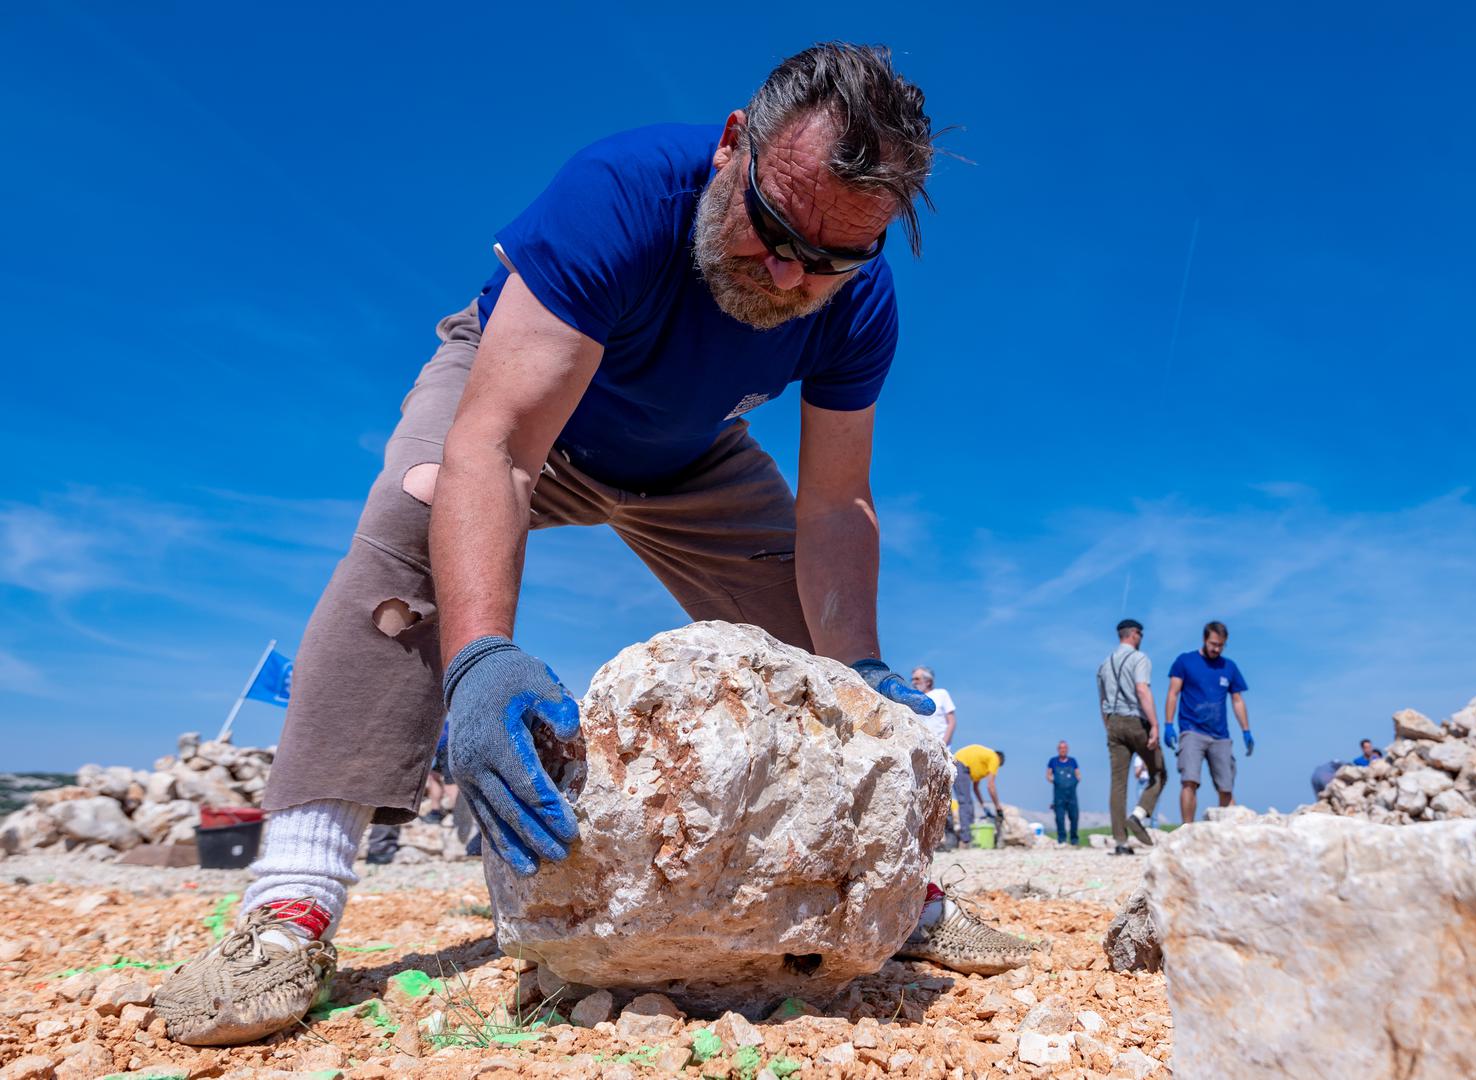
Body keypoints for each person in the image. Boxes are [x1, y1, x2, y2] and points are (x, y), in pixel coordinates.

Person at [154, 44, 978, 1045]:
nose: (791, 273)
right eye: (772, 231)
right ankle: (289, 904)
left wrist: (860, 670)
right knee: (408, 535)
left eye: (833, 260)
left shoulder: (858, 302)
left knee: (830, 671)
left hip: (687, 456)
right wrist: (481, 660)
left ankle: (899, 895)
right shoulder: (620, 194)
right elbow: (496, 448)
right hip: (519, 408)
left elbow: (835, 505)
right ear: (731, 147)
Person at [1164, 621, 1254, 824]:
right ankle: (1187, 830)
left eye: (1221, 645)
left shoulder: (1229, 667)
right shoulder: (1185, 661)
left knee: (1226, 787)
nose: (1216, 649)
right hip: (1192, 730)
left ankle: (1226, 833)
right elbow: (1173, 693)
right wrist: (1168, 724)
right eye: (1213, 644)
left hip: (1220, 735)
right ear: (1204, 639)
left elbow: (1237, 700)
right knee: (1190, 781)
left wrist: (1246, 730)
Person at [1096, 618, 1164, 855]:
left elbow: (1102, 700)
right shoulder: (1139, 659)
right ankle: (1139, 814)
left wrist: (1108, 725)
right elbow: (1142, 690)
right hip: (1136, 722)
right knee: (1159, 772)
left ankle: (1120, 842)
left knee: (1118, 783)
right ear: (1134, 634)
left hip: (1113, 723)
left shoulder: (1104, 664)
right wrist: (1154, 724)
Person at [949, 744, 1004, 847]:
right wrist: (998, 806)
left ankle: (968, 836)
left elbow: (975, 788)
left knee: (968, 803)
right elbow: (991, 786)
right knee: (965, 803)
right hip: (961, 765)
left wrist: (983, 805)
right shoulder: (995, 758)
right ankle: (966, 840)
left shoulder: (982, 762)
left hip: (960, 764)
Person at [1046, 740, 1081, 845]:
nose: (1063, 750)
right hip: (1059, 795)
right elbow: (1048, 775)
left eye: (1064, 748)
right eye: (1061, 748)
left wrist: (1075, 781)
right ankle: (1062, 840)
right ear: (1058, 750)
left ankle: (1074, 840)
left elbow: (1078, 774)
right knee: (1059, 818)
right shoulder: (1053, 761)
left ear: (1067, 749)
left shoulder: (1073, 761)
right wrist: (1055, 781)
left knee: (1074, 817)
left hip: (1071, 795)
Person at [910, 666, 957, 745]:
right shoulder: (913, 699)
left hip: (941, 746)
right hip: (923, 748)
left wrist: (943, 744)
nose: (914, 682)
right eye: (912, 679)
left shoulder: (941, 694)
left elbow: (952, 722)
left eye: (917, 679)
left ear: (928, 681)